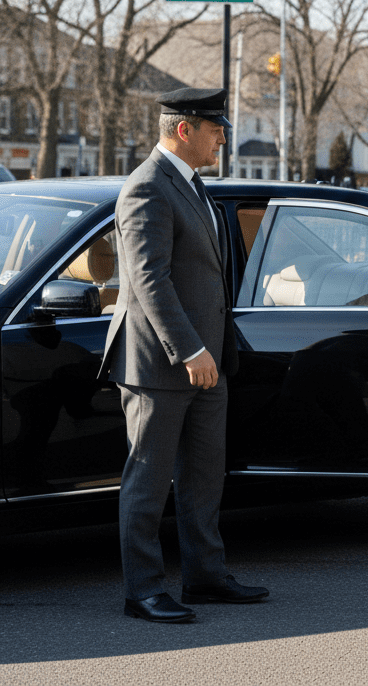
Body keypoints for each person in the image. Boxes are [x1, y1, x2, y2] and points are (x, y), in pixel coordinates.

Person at [100, 87, 268, 623]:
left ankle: (206, 578)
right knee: (147, 483)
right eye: (215, 126)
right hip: (160, 363)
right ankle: (143, 591)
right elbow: (150, 280)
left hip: (206, 362)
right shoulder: (147, 187)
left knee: (203, 477)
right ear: (183, 129)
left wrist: (210, 351)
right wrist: (190, 348)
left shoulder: (193, 186)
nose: (223, 135)